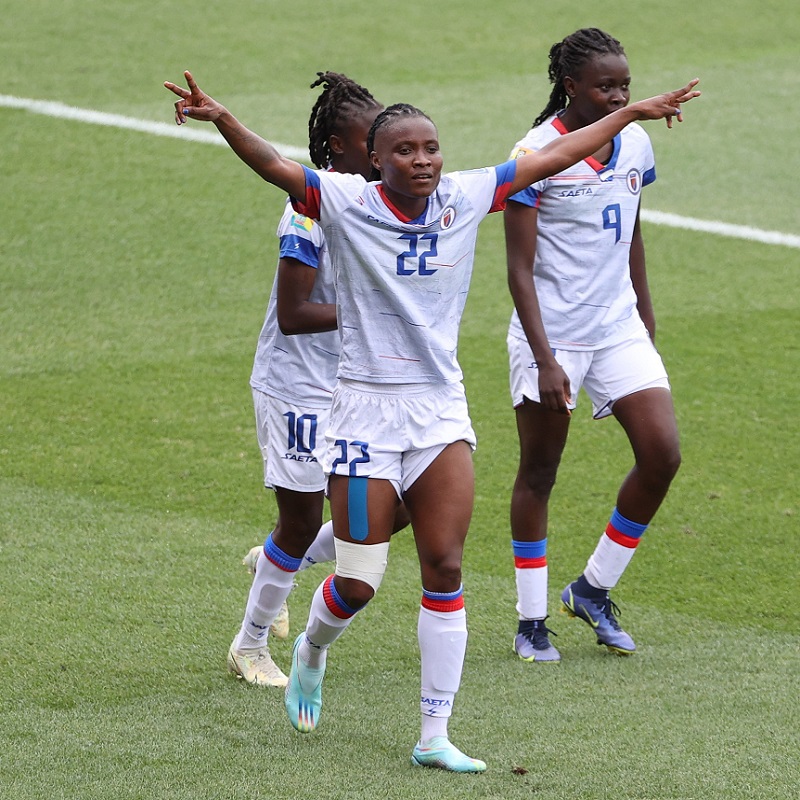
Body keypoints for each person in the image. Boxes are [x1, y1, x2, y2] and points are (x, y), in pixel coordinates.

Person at [165, 69, 699, 772]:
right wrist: (224, 116)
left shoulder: (466, 195)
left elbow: (556, 157)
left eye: (432, 148)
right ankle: (312, 648)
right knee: (358, 582)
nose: (424, 161)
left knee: (445, 564)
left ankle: (433, 735)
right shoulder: (345, 201)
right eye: (407, 151)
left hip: (439, 412)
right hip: (360, 411)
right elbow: (275, 166)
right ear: (376, 160)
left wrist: (629, 113)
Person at [505, 28, 684, 663]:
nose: (618, 95)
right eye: (605, 86)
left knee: (662, 455)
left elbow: (631, 233)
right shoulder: (535, 153)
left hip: (617, 327)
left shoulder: (633, 142)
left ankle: (593, 587)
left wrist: (645, 312)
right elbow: (519, 268)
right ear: (569, 85)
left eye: (625, 86)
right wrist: (546, 357)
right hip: (552, 335)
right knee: (540, 472)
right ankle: (530, 621)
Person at [227, 72, 393, 688]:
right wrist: (375, 311)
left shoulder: (384, 202)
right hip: (296, 385)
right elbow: (295, 315)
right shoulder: (308, 209)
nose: (384, 146)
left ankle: (280, 561)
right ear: (337, 151)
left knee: (394, 504)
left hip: (358, 386)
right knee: (298, 520)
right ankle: (249, 646)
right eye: (369, 137)